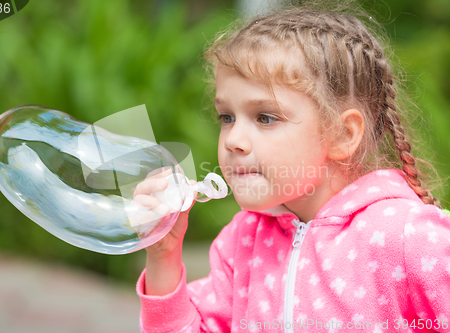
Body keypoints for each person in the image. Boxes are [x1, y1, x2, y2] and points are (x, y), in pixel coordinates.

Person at [134, 1, 450, 332]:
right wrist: (164, 257)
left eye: (265, 117)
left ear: (342, 135)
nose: (233, 140)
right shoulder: (243, 242)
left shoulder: (405, 237)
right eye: (227, 117)